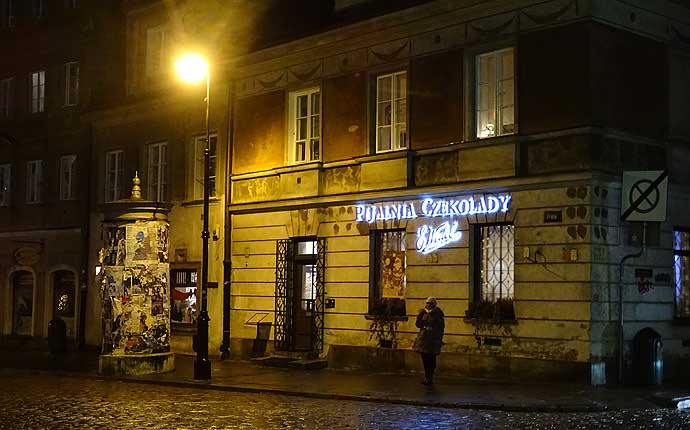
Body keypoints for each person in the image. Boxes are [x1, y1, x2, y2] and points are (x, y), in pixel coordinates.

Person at [413, 296, 445, 385]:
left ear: (433, 305)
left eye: (430, 303)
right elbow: (418, 325)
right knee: (425, 359)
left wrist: (438, 339)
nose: (427, 305)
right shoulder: (424, 313)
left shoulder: (437, 314)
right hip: (424, 339)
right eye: (427, 303)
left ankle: (430, 377)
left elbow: (440, 328)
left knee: (431, 359)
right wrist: (419, 316)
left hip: (432, 340)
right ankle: (426, 377)